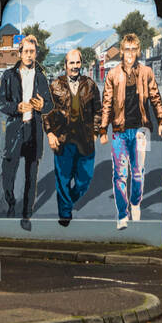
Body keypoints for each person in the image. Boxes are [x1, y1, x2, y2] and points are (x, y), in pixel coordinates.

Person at [98, 33, 162, 230]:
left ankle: (135, 203)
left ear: (138, 51)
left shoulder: (146, 72)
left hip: (141, 131)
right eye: (126, 49)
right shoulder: (112, 75)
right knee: (119, 174)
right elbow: (107, 104)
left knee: (138, 173)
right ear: (121, 51)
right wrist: (103, 128)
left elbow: (155, 97)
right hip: (119, 131)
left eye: (133, 49)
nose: (129, 54)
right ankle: (122, 214)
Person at [0, 35, 52, 229]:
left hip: (33, 131)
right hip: (14, 131)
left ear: (36, 54)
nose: (29, 55)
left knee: (31, 175)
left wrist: (44, 105)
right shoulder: (9, 76)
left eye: (32, 51)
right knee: (8, 173)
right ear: (19, 53)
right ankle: (11, 202)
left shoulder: (41, 77)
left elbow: (49, 104)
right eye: (26, 51)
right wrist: (16, 107)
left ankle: (26, 214)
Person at [45, 49, 100, 227]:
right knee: (63, 179)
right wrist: (50, 133)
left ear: (81, 64)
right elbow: (46, 112)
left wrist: (96, 130)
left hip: (85, 140)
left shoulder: (90, 84)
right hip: (63, 139)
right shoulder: (55, 85)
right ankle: (65, 214)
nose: (75, 67)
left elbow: (98, 110)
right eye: (71, 63)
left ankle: (68, 201)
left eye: (77, 63)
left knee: (85, 179)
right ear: (65, 65)